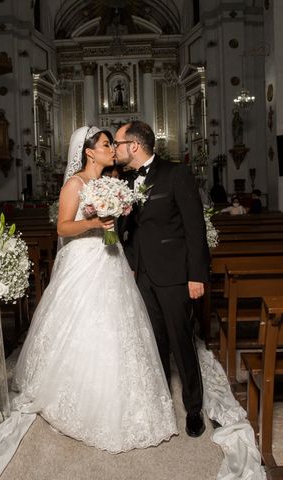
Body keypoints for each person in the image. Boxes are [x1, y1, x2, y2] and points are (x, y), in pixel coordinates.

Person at [12, 126, 177, 453]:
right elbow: (62, 227)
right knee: (85, 326)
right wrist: (92, 223)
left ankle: (124, 395)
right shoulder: (74, 184)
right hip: (83, 260)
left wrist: (115, 214)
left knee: (119, 327)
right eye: (105, 144)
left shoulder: (111, 184)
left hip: (110, 260)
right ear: (89, 152)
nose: (111, 148)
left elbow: (118, 224)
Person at [115, 120, 210, 438]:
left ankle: (194, 408)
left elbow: (195, 227)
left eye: (117, 144)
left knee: (182, 342)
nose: (115, 149)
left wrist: (196, 275)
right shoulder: (125, 180)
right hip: (141, 276)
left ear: (134, 146)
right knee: (153, 343)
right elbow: (127, 230)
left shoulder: (176, 174)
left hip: (174, 275)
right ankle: (158, 403)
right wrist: (128, 262)